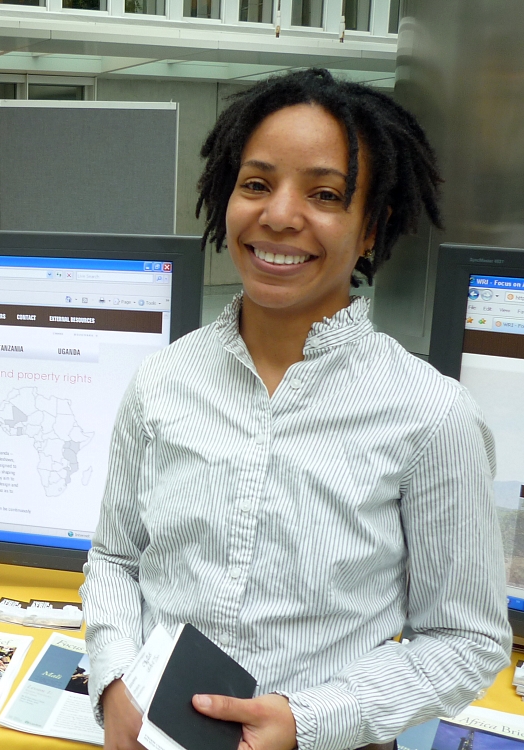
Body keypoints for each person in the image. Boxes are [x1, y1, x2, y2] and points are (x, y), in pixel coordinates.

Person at [80, 68, 511, 750]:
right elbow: (115, 559)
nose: (279, 215)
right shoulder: (162, 380)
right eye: (256, 184)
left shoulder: (431, 414)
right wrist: (112, 683)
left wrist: (307, 720)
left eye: (325, 194)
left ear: (372, 229)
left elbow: (465, 640)